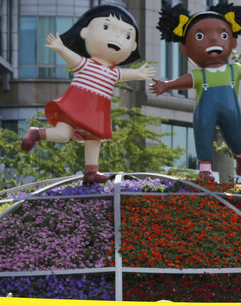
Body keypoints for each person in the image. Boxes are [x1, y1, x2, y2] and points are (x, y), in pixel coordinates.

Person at [21, 4, 155, 184]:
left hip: (96, 112)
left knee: (95, 138)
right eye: (106, 27)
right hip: (75, 106)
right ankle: (37, 133)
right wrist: (61, 48)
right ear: (85, 32)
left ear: (133, 46)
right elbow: (73, 58)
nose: (117, 37)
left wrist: (139, 74)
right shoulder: (86, 64)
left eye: (127, 35)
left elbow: (126, 74)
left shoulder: (114, 72)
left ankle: (91, 171)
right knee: (62, 135)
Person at [150, 2, 241, 182]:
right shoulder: (199, 75)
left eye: (222, 34)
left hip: (231, 111)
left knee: (233, 136)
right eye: (200, 36)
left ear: (232, 42)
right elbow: (184, 81)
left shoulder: (234, 70)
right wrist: (166, 85)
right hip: (205, 110)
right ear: (185, 50)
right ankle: (205, 169)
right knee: (202, 131)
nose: (213, 40)